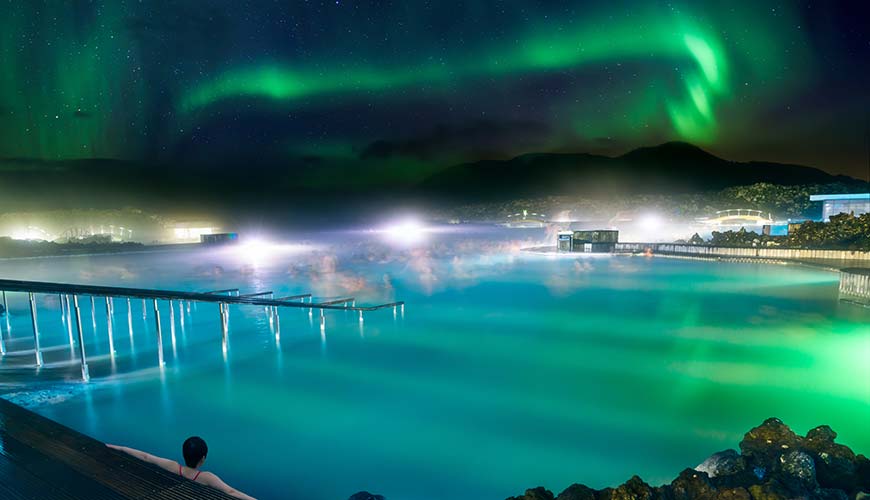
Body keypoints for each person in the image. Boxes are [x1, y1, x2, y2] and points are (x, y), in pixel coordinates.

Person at [107, 437, 256, 500]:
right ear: (203, 458)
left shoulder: (172, 466)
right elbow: (230, 491)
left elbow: (146, 456)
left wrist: (120, 447)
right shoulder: (206, 477)